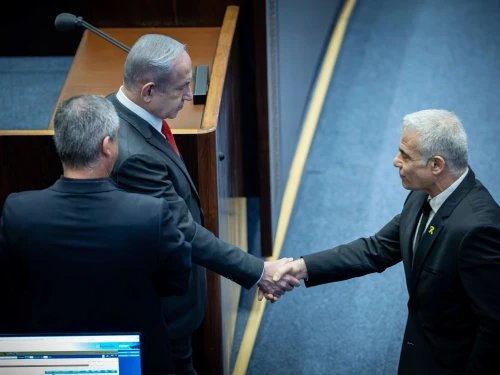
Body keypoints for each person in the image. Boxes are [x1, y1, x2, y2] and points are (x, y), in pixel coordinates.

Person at [107, 34, 298, 374]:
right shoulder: (134, 157)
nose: (188, 96)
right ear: (148, 91)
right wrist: (258, 271)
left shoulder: (122, 110)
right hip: (162, 306)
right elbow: (182, 231)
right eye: (181, 88)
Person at [273, 109, 500, 374]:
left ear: (436, 165)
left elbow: (495, 327)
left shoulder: (478, 230)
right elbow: (377, 249)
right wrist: (300, 267)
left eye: (405, 155)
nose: (395, 161)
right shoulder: (423, 194)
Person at [0, 94, 192, 375]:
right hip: (134, 358)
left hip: (46, 359)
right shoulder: (151, 214)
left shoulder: (18, 211)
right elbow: (178, 282)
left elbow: (9, 286)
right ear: (106, 146)